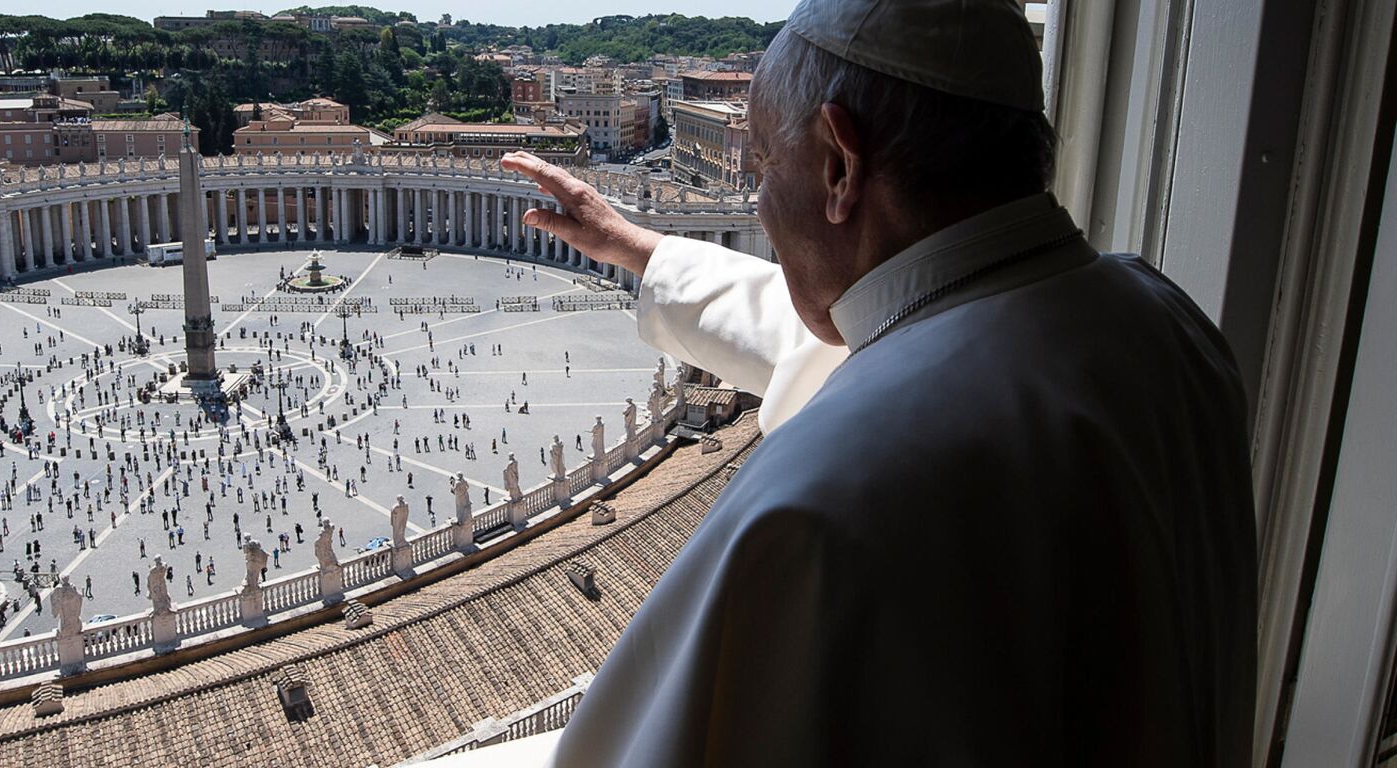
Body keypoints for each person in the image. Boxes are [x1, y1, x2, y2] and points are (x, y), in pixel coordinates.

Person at [504, 1, 1256, 765]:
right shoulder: (1166, 323)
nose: (757, 206)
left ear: (840, 164)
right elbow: (886, 341)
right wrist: (646, 251)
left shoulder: (821, 497)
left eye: (764, 166)